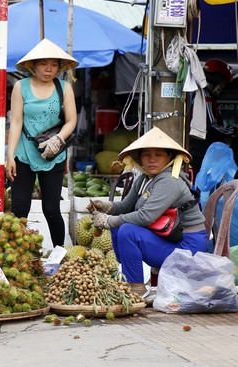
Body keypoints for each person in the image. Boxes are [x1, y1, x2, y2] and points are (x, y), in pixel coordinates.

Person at [88, 127, 206, 300]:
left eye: (158, 155)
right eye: (146, 155)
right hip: (169, 238)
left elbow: (145, 217)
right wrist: (106, 207)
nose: (151, 160)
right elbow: (126, 206)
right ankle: (127, 278)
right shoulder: (144, 179)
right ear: (140, 158)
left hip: (187, 247)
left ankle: (137, 288)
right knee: (119, 226)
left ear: (169, 158)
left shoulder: (169, 181)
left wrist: (108, 220)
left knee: (127, 230)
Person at [6, 39, 78, 248]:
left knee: (52, 209)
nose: (49, 69)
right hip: (24, 153)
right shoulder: (21, 87)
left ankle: (59, 253)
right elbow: (16, 122)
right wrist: (10, 156)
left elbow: (72, 120)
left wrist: (58, 139)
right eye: (44, 64)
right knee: (19, 207)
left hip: (53, 154)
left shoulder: (64, 88)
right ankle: (16, 254)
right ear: (33, 65)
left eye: (54, 64)